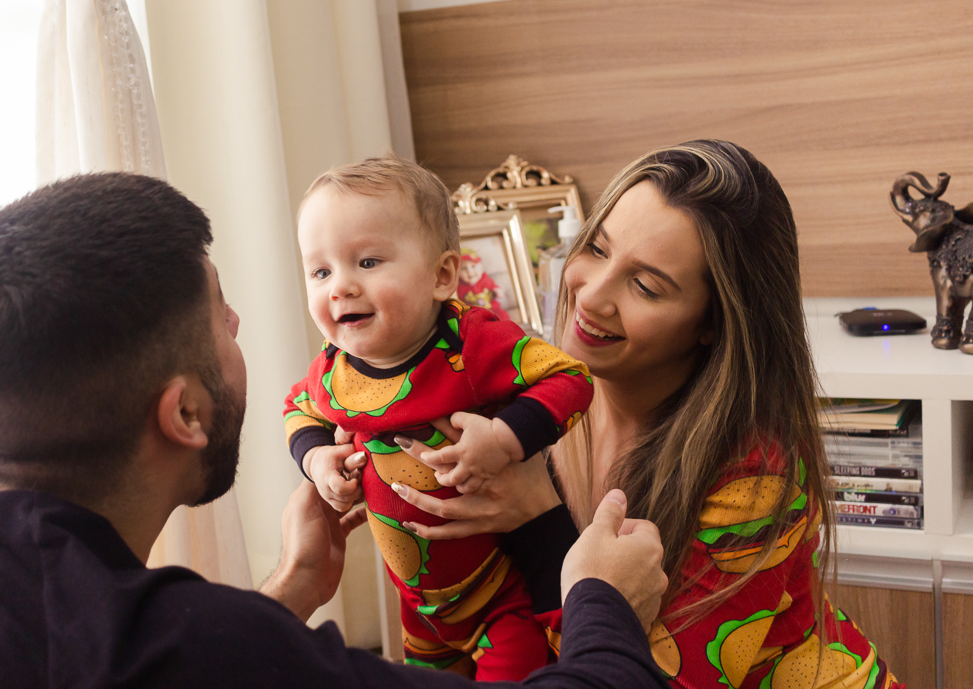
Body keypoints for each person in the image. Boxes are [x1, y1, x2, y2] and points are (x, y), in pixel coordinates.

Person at [0, 172, 669, 688]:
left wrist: (290, 590)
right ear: (185, 413)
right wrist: (603, 598)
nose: (239, 321)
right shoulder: (203, 645)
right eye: (220, 318)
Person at [391, 140, 903, 688]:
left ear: (714, 324)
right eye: (597, 249)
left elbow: (637, 679)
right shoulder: (526, 411)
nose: (592, 296)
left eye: (645, 286)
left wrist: (537, 522)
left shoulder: (757, 477)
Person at [284, 157, 594, 680]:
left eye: (367, 262)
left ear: (442, 275)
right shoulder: (333, 369)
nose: (339, 287)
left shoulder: (470, 342)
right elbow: (298, 408)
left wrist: (503, 437)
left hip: (501, 600)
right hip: (421, 615)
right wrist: (317, 459)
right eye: (321, 271)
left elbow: (570, 379)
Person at [457, 248, 510, 320]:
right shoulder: (459, 287)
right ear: (458, 273)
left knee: (503, 317)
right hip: (475, 316)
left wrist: (498, 292)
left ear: (481, 268)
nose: (469, 272)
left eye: (473, 266)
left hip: (493, 310)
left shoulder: (486, 280)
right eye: (463, 269)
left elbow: (496, 289)